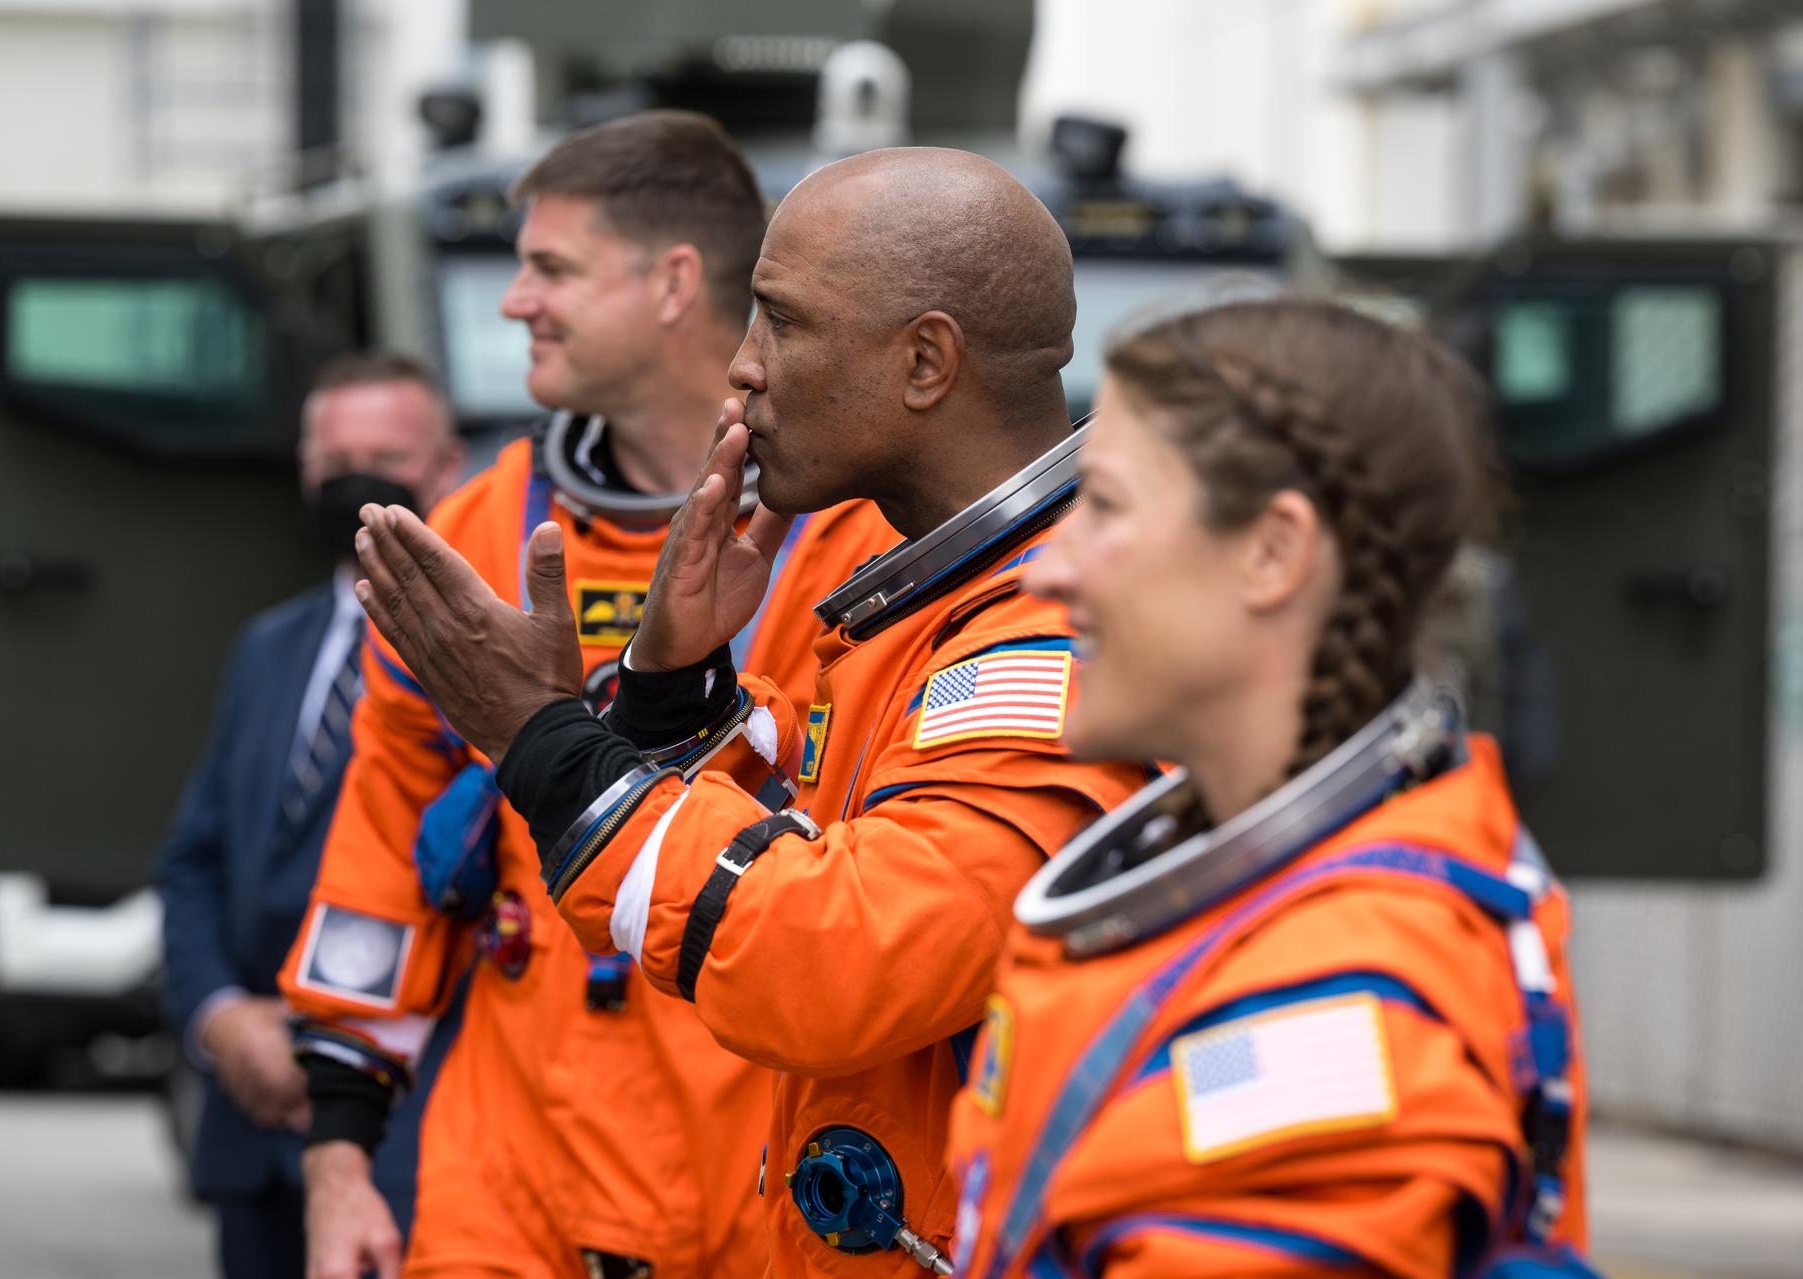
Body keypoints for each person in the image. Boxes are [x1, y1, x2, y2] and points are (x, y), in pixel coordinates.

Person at [347, 147, 1149, 1277]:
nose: (740, 370)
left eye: (780, 323)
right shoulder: (946, 600)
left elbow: (846, 958)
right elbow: (808, 843)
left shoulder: (1054, 630)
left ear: (926, 362)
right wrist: (677, 691)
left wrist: (545, 738)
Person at [277, 111, 896, 1279]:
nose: (515, 301)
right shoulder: (477, 532)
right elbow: (379, 843)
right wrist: (341, 1157)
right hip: (511, 1178)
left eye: (549, 267)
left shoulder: (854, 540)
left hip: (765, 1166)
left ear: (672, 284)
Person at [944, 300, 1596, 1278]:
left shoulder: (1328, 1017)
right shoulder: (1309, 885)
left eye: (1105, 506)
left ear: (1274, 552)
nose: (1050, 568)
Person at [155, 350, 465, 1279]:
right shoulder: (267, 645)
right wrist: (222, 1019)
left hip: (407, 1134)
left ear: (447, 466)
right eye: (333, 463)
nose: (354, 482)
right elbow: (193, 861)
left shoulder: (482, 659)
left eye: (385, 455)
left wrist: (337, 1048)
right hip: (250, 1132)